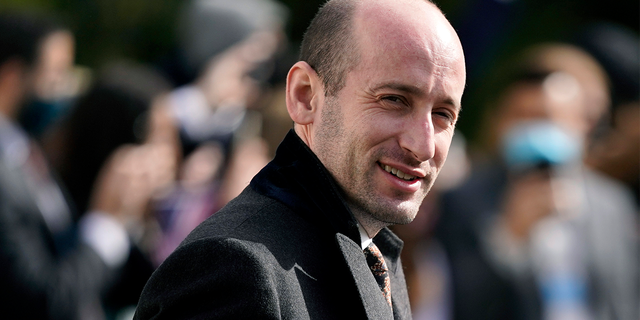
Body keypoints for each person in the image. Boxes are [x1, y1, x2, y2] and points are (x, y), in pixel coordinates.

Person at [134, 0, 466, 318]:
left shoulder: (372, 254)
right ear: (304, 95)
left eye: (442, 114)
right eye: (394, 100)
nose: (423, 146)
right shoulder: (235, 269)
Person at [435, 43, 639, 320]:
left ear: (583, 126)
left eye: (547, 118)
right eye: (520, 117)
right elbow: (461, 304)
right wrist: (510, 239)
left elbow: (625, 302)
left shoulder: (612, 204)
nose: (533, 129)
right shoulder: (462, 201)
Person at [0, 12, 160, 319]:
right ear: (11, 77)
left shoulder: (27, 152)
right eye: (56, 74)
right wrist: (107, 222)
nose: (67, 87)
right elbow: (42, 299)